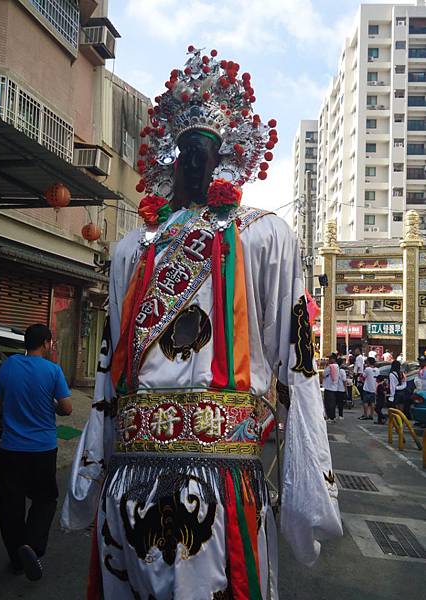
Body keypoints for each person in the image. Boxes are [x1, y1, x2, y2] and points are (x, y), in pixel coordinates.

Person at [62, 47, 342, 600]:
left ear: (225, 160)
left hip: (223, 478)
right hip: (132, 477)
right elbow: (108, 369)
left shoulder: (265, 235)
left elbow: (296, 359)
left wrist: (308, 483)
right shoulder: (128, 250)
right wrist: (93, 469)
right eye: (184, 150)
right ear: (169, 159)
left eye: (205, 151)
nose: (193, 162)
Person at [0, 324, 72, 581]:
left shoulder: (9, 365)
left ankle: (16, 560)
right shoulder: (53, 370)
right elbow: (67, 409)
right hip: (43, 449)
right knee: (45, 499)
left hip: (12, 449)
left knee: (11, 505)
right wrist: (53, 405)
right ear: (46, 343)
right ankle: (32, 546)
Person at [360, 357, 379, 421]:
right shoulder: (377, 369)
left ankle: (365, 414)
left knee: (365, 402)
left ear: (368, 362)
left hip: (367, 388)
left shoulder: (367, 369)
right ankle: (371, 415)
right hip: (374, 388)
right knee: (372, 402)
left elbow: (363, 376)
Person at [323, 355, 339, 423]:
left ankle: (330, 417)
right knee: (332, 403)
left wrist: (326, 366)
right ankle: (332, 416)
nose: (328, 360)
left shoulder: (330, 366)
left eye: (330, 359)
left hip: (329, 387)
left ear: (333, 359)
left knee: (328, 403)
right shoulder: (337, 366)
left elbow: (324, 374)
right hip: (334, 387)